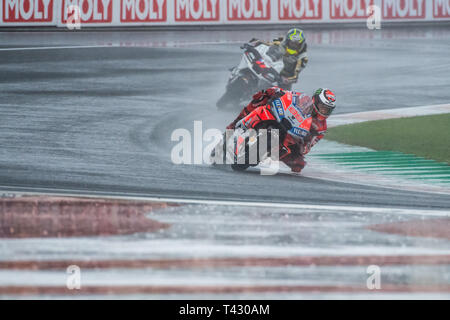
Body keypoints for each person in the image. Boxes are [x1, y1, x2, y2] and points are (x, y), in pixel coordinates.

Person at [226, 87, 336, 173]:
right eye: (323, 107)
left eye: (327, 110)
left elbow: (308, 147)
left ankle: (266, 154)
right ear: (315, 100)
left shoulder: (321, 127)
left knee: (298, 165)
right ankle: (237, 123)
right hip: (281, 118)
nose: (324, 111)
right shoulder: (303, 100)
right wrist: (277, 91)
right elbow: (289, 95)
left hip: (292, 137)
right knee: (262, 97)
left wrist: (305, 142)